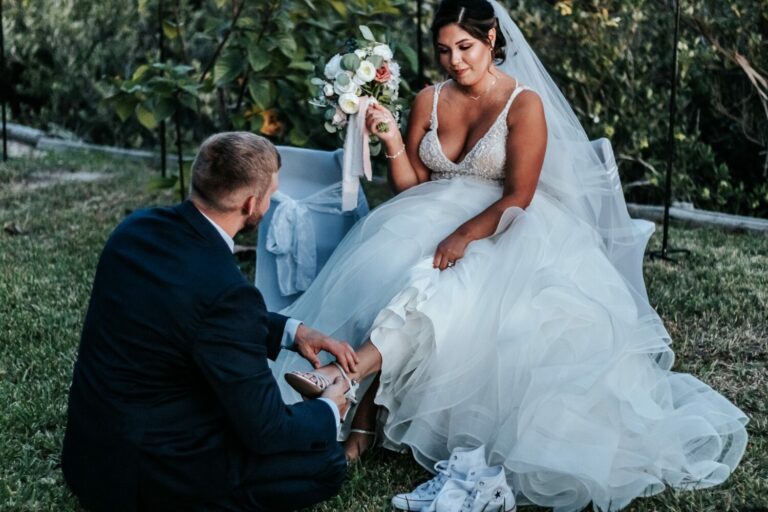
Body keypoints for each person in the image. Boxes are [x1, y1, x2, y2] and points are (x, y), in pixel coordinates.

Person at [272, 1, 749, 510]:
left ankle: (350, 387)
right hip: (424, 217)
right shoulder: (428, 99)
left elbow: (519, 195)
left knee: (447, 284)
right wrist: (391, 137)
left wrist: (462, 237)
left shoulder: (524, 105)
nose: (455, 60)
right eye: (443, 50)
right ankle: (357, 404)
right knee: (407, 274)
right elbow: (412, 186)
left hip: (507, 227)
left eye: (465, 47)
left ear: (492, 38)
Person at [61, 132, 359, 512]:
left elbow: (190, 306)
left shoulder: (134, 230)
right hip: (142, 477)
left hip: (89, 456)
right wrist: (330, 408)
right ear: (253, 203)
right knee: (325, 464)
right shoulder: (226, 294)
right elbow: (267, 431)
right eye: (272, 194)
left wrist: (293, 332)